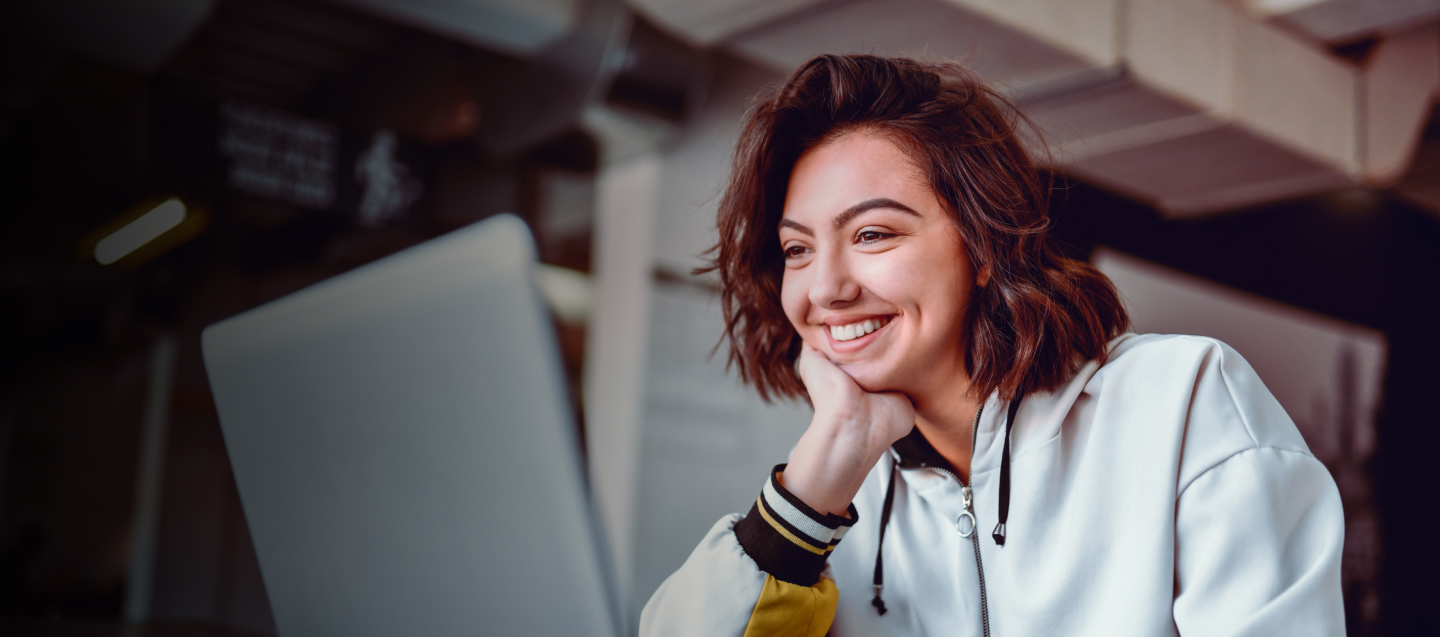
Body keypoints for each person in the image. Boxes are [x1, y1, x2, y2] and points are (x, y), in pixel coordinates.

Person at [639, 55, 1345, 636]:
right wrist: (825, 465)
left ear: (981, 244)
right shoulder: (835, 500)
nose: (824, 288)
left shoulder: (1183, 403)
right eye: (797, 248)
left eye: (873, 234)